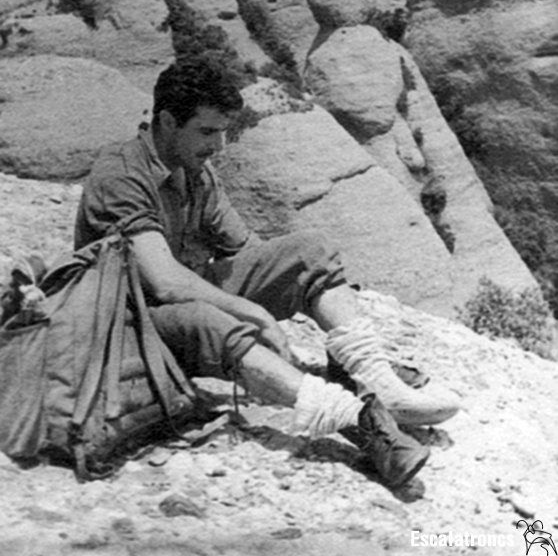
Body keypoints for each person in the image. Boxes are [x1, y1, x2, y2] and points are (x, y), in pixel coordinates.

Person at [74, 58, 459, 488]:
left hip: (181, 301)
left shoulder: (195, 171)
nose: (219, 145)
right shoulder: (122, 174)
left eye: (223, 131)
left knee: (309, 250)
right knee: (208, 317)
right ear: (166, 121)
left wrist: (288, 289)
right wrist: (253, 314)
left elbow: (248, 252)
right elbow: (164, 282)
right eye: (207, 131)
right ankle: (360, 421)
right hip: (131, 323)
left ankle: (371, 373)